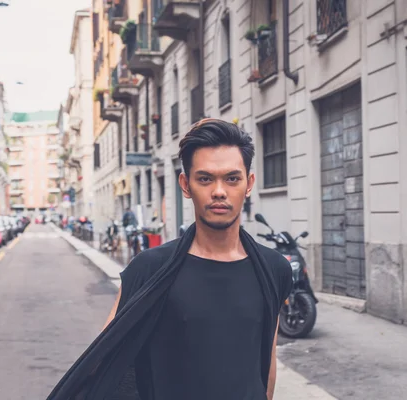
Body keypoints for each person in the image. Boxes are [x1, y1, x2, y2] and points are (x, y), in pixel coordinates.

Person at [46, 119, 292, 400]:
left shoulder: (274, 269)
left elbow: (266, 362)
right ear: (186, 185)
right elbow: (104, 361)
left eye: (232, 178)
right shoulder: (150, 269)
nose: (219, 191)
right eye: (205, 179)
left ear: (248, 184)